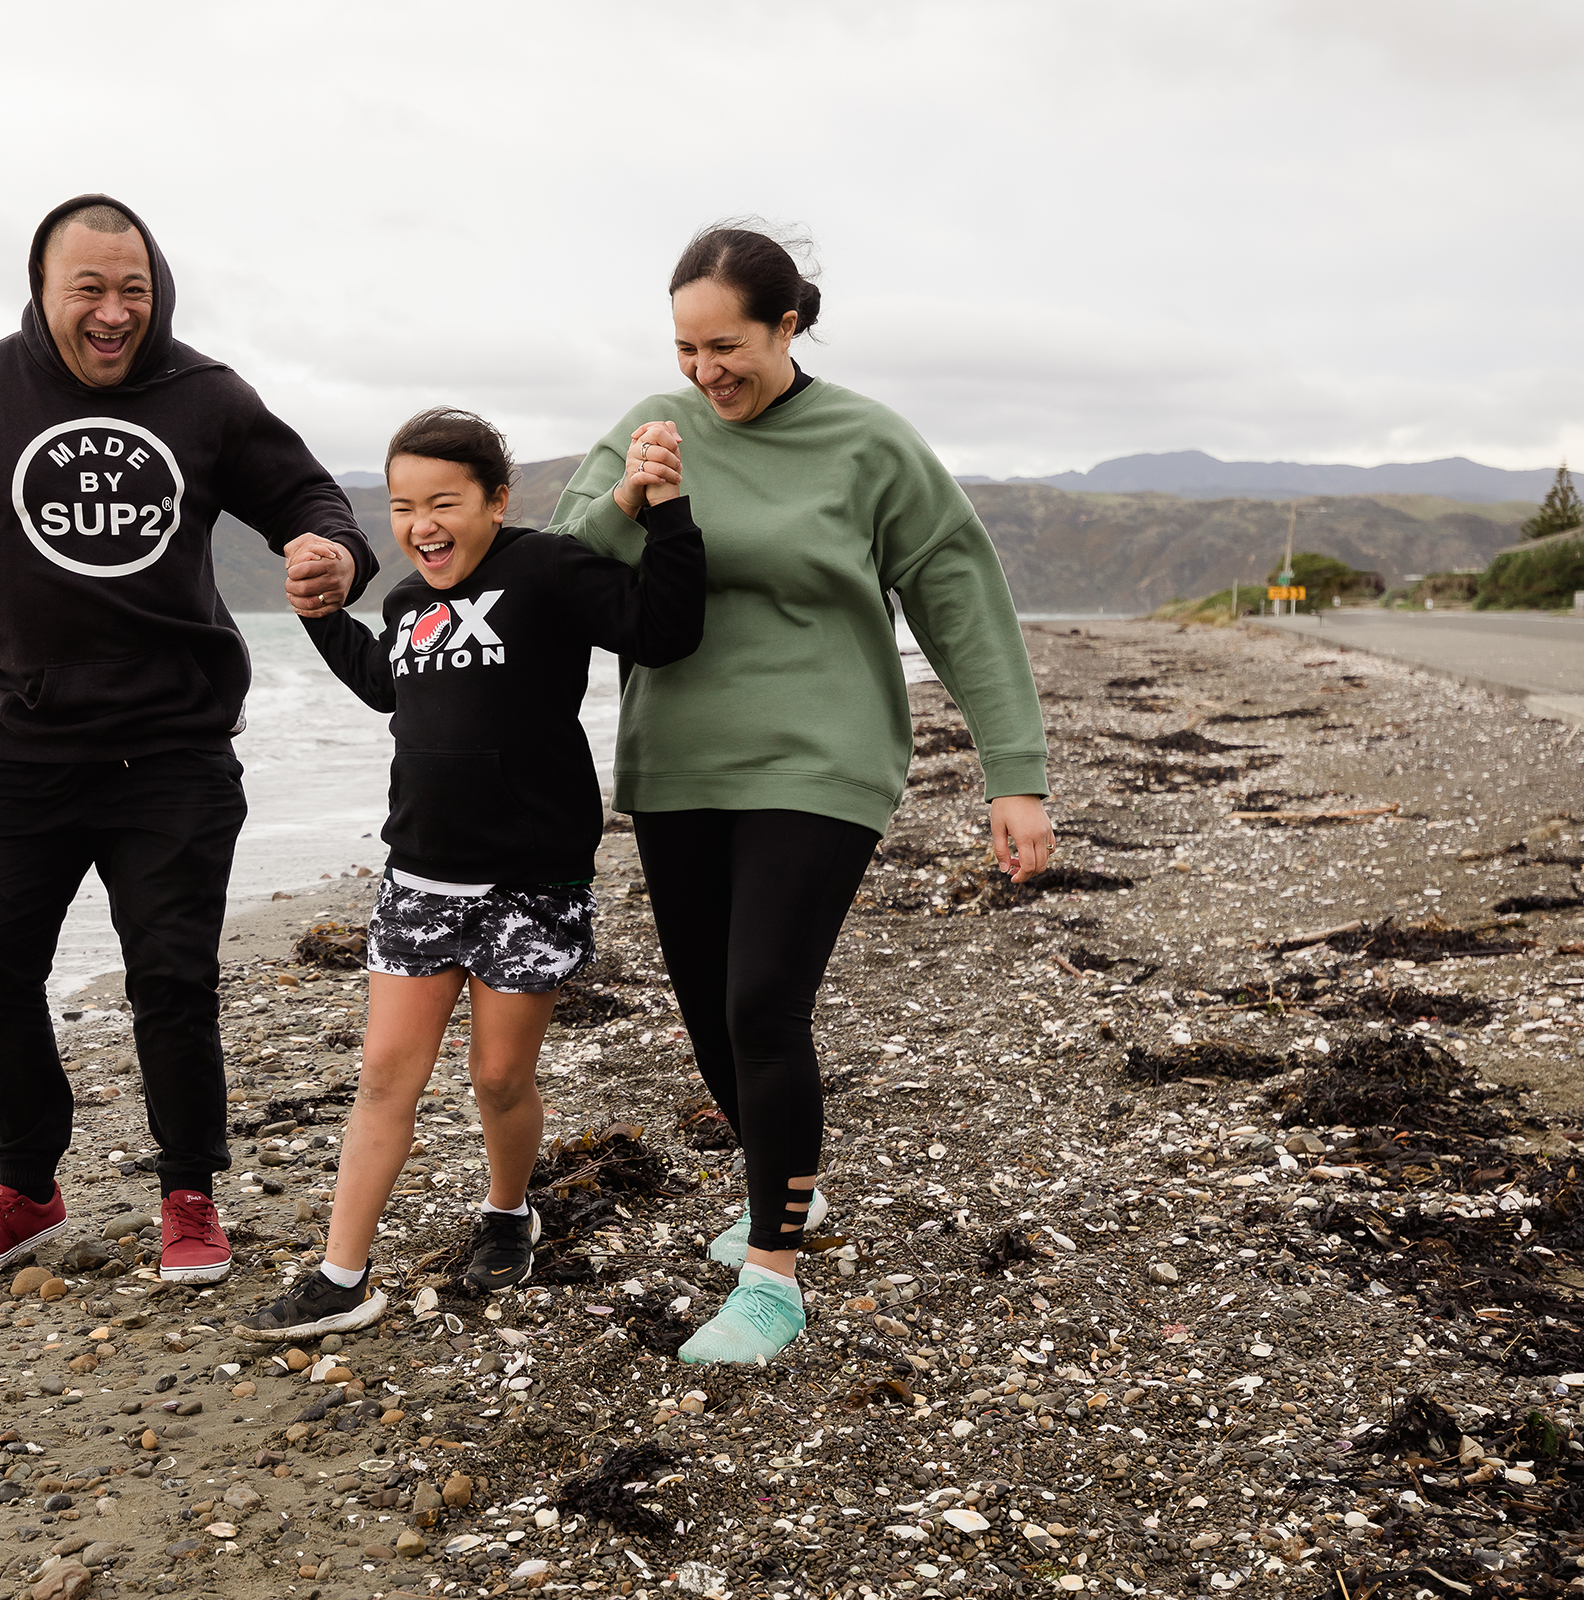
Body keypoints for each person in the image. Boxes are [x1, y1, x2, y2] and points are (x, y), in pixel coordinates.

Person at [0, 194, 378, 1288]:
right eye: (89, 291)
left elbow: (308, 498)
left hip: (173, 752)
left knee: (172, 977)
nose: (113, 314)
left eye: (133, 290)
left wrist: (336, 554)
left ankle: (190, 1193)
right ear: (45, 291)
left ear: (159, 293)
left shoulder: (206, 396)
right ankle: (25, 1188)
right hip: (16, 749)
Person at [551, 222, 1054, 1364]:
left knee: (761, 1002)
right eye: (685, 349)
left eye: (725, 345)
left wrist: (1012, 775)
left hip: (823, 759)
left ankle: (772, 1279)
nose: (704, 371)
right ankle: (793, 1186)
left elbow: (960, 599)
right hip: (680, 761)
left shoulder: (869, 444)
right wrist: (629, 497)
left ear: (788, 325)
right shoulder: (652, 428)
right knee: (708, 1012)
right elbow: (561, 575)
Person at [236, 408, 705, 1340]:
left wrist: (670, 513)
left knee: (498, 1079)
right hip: (423, 879)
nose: (422, 524)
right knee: (384, 1079)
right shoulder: (408, 602)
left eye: (443, 501)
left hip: (534, 878)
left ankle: (507, 1210)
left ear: (496, 500)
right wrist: (323, 620)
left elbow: (664, 629)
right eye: (405, 506)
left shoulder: (548, 568)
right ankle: (340, 1275)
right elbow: (389, 685)